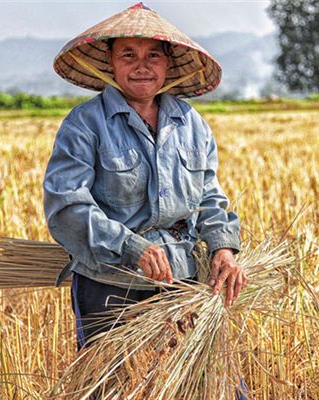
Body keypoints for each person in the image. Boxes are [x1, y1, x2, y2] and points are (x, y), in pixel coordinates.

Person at [43, 2, 247, 358]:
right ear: (111, 63)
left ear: (168, 64)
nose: (142, 66)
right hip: (110, 283)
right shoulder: (85, 124)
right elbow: (66, 206)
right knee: (111, 386)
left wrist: (223, 247)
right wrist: (131, 246)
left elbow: (209, 196)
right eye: (128, 55)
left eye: (153, 54)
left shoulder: (190, 123)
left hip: (182, 278)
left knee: (203, 382)